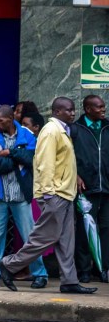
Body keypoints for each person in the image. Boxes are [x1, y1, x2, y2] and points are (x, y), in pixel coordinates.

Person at [0, 98, 98, 295]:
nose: (72, 113)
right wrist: (48, 193)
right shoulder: (51, 131)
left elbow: (63, 162)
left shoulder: (63, 130)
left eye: (73, 110)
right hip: (55, 194)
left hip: (65, 193)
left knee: (66, 240)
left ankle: (69, 281)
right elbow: (45, 164)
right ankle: (9, 265)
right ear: (57, 111)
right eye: (68, 110)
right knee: (45, 237)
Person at [0, 105, 48, 289]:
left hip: (20, 194)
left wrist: (10, 153)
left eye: (0, 120)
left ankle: (40, 274)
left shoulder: (27, 135)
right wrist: (16, 160)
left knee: (30, 236)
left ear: (11, 118)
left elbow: (31, 160)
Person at [71, 95, 109, 283]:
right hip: (86, 187)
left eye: (103, 106)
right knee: (85, 230)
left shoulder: (107, 127)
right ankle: (84, 269)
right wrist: (75, 175)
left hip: (107, 187)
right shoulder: (76, 130)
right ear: (87, 109)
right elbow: (68, 158)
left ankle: (103, 269)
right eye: (99, 107)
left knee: (106, 229)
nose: (103, 109)